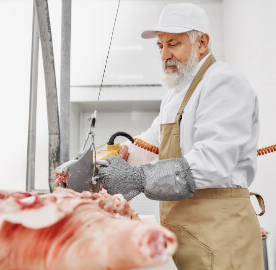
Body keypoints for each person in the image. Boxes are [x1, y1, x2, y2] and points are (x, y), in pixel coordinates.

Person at [98, 3, 265, 270]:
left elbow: (211, 163)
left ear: (202, 42)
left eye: (173, 44)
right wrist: (114, 157)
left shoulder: (224, 83)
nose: (164, 54)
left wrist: (138, 178)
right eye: (160, 46)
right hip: (184, 238)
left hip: (219, 238)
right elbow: (151, 143)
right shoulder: (174, 96)